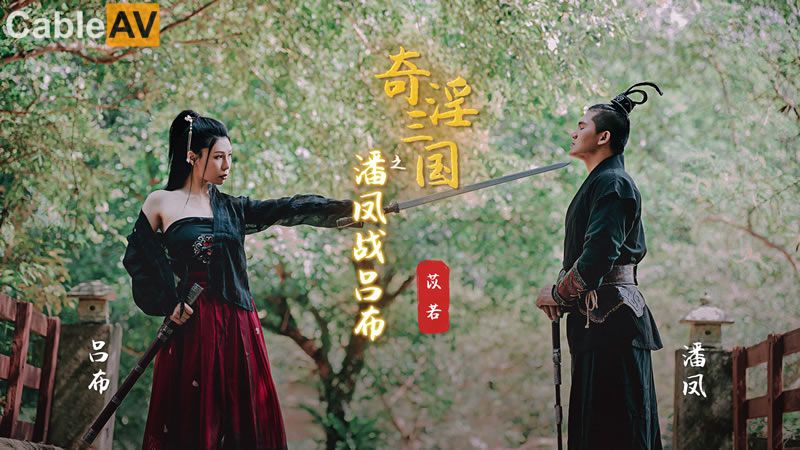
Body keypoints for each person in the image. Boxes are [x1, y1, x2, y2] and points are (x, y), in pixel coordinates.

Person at [122, 110, 353, 450]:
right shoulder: (161, 202)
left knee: (246, 420)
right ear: (192, 156)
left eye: (230, 157)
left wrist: (346, 210)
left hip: (237, 323)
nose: (227, 165)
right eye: (218, 157)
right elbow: (140, 258)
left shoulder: (233, 209)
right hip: (191, 323)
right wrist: (169, 302)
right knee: (192, 420)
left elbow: (286, 208)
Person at [535, 82, 665, 450]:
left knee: (616, 429)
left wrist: (559, 294)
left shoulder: (614, 183)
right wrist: (563, 297)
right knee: (598, 428)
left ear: (603, 136)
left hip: (613, 323)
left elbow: (598, 256)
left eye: (582, 126)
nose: (574, 133)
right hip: (598, 323)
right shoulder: (602, 182)